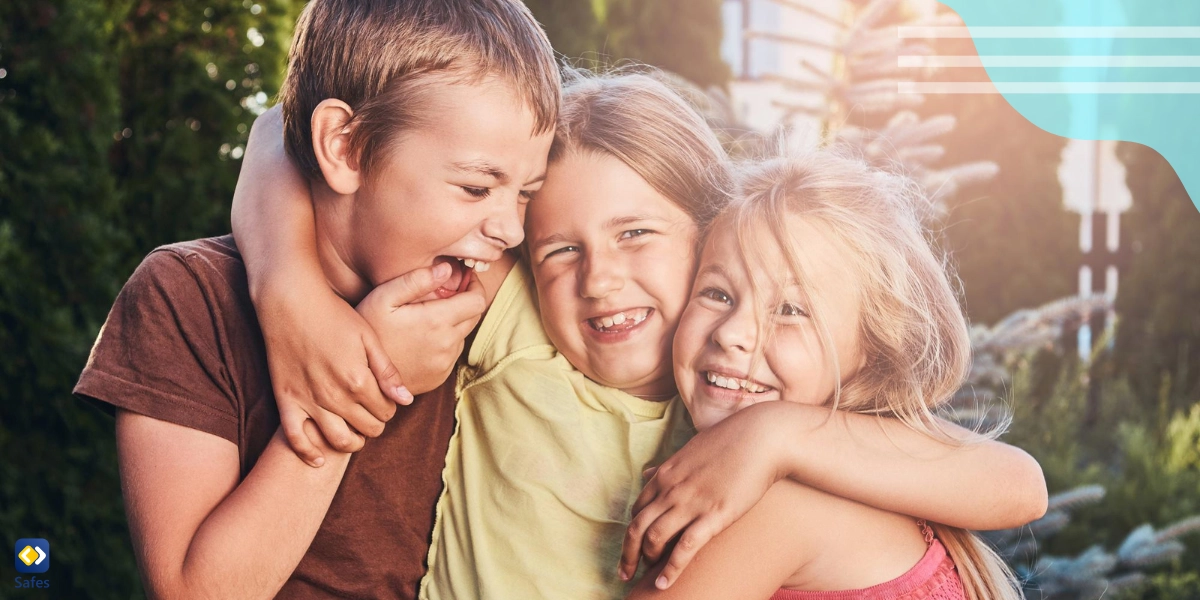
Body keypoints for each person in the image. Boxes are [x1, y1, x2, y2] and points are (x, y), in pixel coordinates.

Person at [234, 70, 1047, 599]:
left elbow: (1017, 484)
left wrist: (775, 434)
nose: (600, 278)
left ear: (703, 241)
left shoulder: (734, 408)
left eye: (636, 236)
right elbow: (283, 125)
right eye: (563, 250)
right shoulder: (531, 318)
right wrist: (287, 284)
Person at [72, 0, 559, 597]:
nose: (510, 230)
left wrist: (715, 461)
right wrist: (352, 399)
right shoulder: (186, 298)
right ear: (345, 148)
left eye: (527, 194)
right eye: (477, 187)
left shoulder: (484, 288)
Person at [627, 151, 1023, 599]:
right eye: (717, 293)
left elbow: (1025, 486)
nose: (733, 333)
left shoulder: (777, 508)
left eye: (791, 310)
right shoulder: (878, 471)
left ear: (872, 352)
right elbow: (1024, 485)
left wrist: (772, 432)